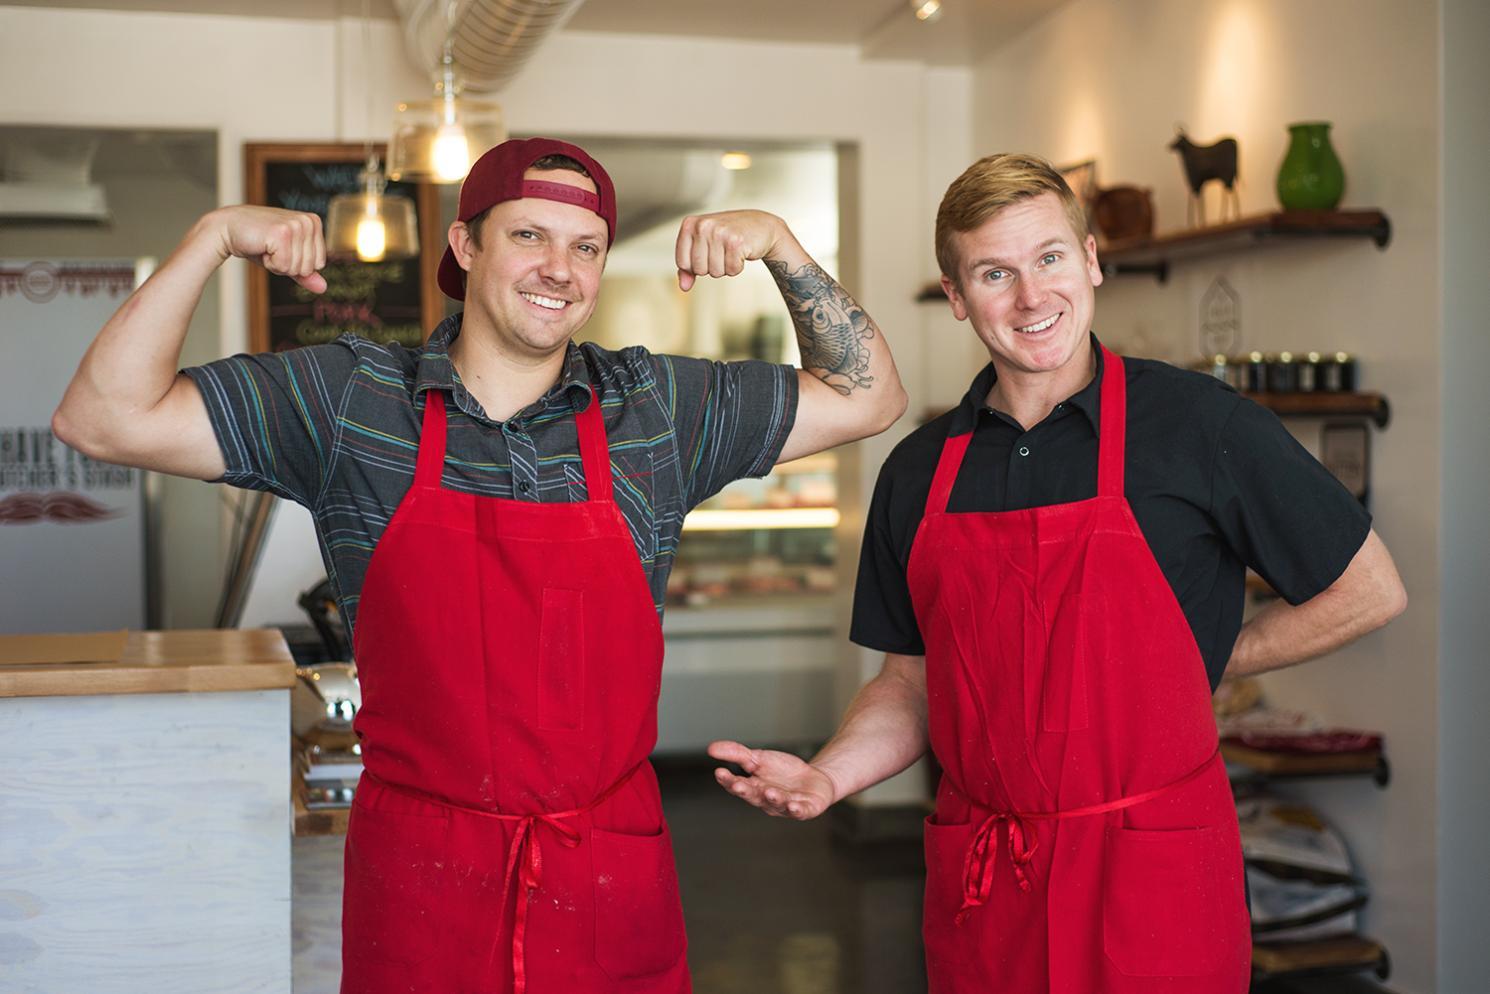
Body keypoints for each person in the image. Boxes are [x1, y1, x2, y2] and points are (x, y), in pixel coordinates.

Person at [52, 137, 907, 994]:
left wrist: (781, 248)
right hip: (422, 880)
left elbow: (870, 397)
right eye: (530, 236)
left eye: (586, 247)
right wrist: (210, 238)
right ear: (466, 247)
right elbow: (105, 417)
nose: (560, 269)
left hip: (603, 872)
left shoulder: (657, 409)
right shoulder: (351, 401)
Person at [708, 152, 1407, 994]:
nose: (1032, 297)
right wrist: (828, 775)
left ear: (1092, 261)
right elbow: (910, 684)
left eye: (1049, 258)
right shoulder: (920, 471)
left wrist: (1202, 656)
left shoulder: (1202, 425)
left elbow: (1371, 588)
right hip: (989, 880)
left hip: (1152, 873)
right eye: (996, 273)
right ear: (959, 297)